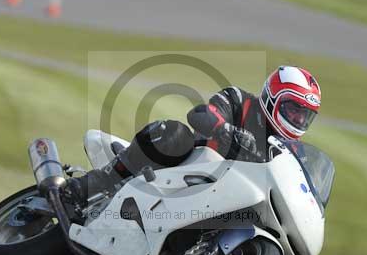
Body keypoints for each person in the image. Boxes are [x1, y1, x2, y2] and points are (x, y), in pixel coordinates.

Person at [64, 65, 321, 206]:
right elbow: (200, 114)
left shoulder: (288, 152)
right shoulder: (239, 100)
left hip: (224, 198)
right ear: (272, 98)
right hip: (184, 170)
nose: (298, 119)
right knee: (176, 133)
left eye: (304, 115)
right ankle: (95, 183)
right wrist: (224, 130)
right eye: (293, 109)